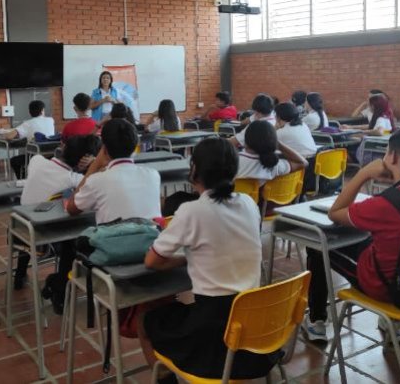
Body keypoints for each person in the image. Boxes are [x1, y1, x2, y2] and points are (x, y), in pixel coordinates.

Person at [138, 137, 277, 383]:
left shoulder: (191, 211)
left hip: (214, 336)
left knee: (147, 321)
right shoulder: (248, 203)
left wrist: (185, 259)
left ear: (194, 171)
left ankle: (166, 379)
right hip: (255, 328)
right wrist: (194, 256)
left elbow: (152, 261)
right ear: (234, 171)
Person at [302, 127, 400, 343]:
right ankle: (391, 322)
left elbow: (335, 213)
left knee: (318, 244)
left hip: (388, 288)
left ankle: (317, 321)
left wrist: (363, 173)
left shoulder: (384, 205)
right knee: (374, 241)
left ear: (393, 157)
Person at [15, 135, 101, 291]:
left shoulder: (37, 161)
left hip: (20, 230)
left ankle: (19, 274)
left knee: (34, 214)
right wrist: (94, 164)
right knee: (73, 240)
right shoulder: (73, 179)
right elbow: (97, 180)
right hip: (46, 241)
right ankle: (61, 290)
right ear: (84, 160)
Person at [67, 118, 161, 224]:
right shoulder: (153, 175)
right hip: (152, 238)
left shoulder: (96, 181)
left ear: (104, 149)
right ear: (136, 146)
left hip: (112, 240)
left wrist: (95, 165)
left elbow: (71, 208)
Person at [236, 120, 307, 184]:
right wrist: (278, 145)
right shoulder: (274, 166)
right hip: (258, 198)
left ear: (246, 140)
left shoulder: (232, 161)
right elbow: (303, 163)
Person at [6, 100, 55, 179]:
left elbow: (9, 136)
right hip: (52, 155)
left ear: (29, 112)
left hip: (36, 156)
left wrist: (2, 135)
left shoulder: (27, 123)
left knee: (14, 161)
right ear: (42, 110)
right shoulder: (51, 120)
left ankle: (24, 181)